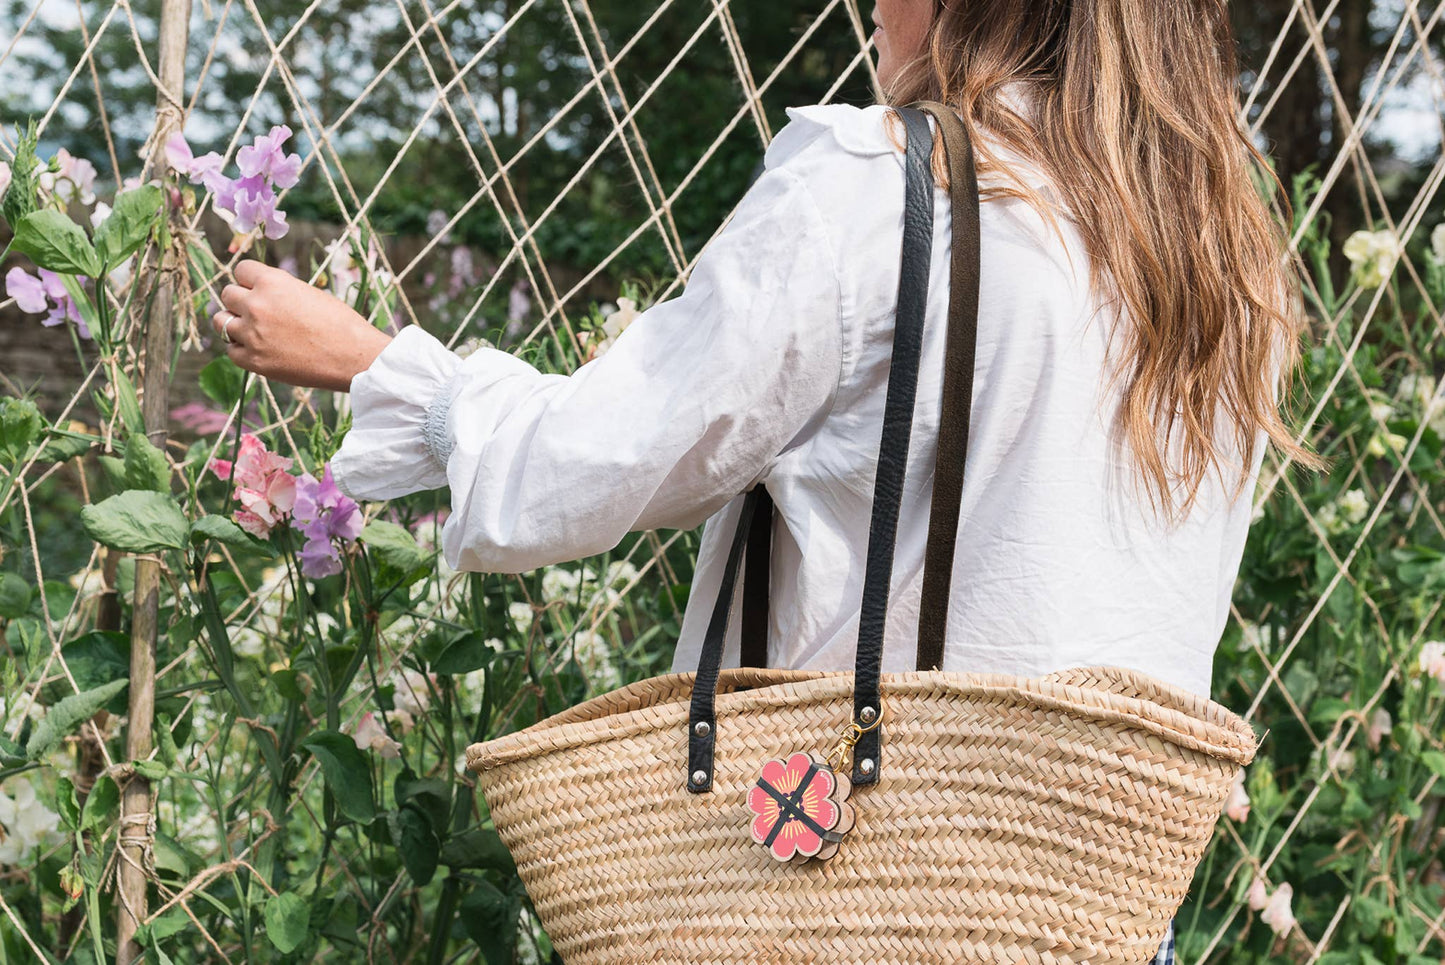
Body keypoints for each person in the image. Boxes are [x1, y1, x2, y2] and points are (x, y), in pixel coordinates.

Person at [210, 2, 1320, 958]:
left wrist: (383, 367)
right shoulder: (1219, 259)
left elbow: (595, 461)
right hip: (1094, 910)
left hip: (854, 892)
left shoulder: (883, 189)